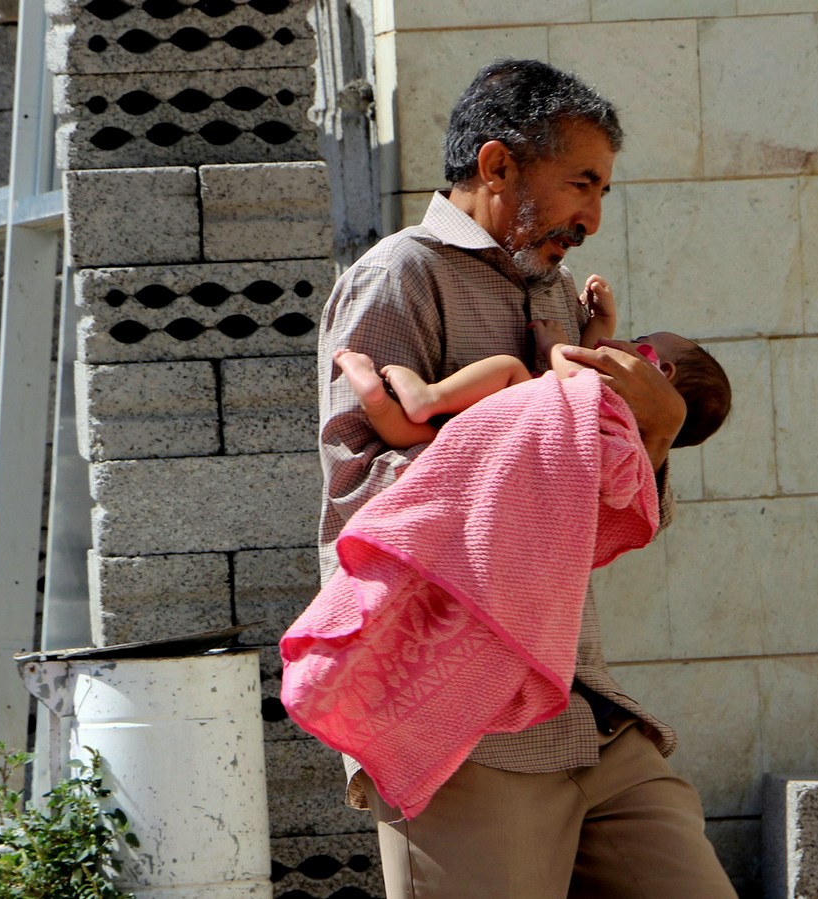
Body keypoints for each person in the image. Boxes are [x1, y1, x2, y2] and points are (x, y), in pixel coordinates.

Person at [314, 57, 740, 898]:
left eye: (605, 193)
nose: (592, 216)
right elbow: (366, 502)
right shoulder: (399, 276)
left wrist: (653, 436)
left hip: (587, 707)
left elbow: (604, 508)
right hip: (460, 729)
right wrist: (549, 429)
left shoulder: (555, 295)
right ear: (497, 164)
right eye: (583, 183)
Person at [333, 277, 731, 451]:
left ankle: (427, 397)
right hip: (512, 444)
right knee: (430, 442)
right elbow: (591, 359)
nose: (630, 343)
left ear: (659, 369)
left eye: (641, 342)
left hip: (524, 419)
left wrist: (555, 347)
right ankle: (377, 401)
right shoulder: (629, 439)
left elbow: (576, 369)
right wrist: (602, 323)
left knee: (509, 369)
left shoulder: (624, 402)